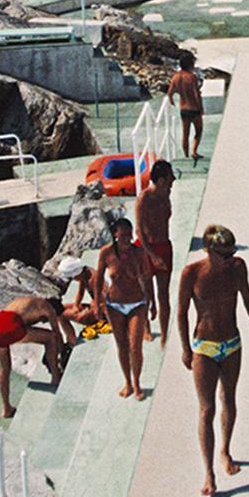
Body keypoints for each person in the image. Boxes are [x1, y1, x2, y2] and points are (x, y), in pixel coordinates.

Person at [178, 223, 249, 497]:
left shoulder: (237, 267)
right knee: (206, 409)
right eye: (223, 253)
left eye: (232, 251)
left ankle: (225, 450)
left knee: (229, 399)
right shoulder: (192, 274)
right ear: (208, 250)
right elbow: (182, 313)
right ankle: (208, 472)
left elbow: (248, 300)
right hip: (204, 347)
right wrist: (186, 349)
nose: (229, 257)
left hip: (232, 343)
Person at [93, 214, 153, 401]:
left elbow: (147, 278)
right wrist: (97, 302)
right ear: (115, 235)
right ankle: (127, 381)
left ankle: (136, 382)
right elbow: (98, 279)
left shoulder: (139, 252)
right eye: (123, 235)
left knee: (135, 346)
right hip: (114, 305)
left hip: (137, 303)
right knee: (122, 346)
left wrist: (153, 303)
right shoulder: (107, 253)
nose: (127, 239)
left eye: (129, 235)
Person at [0, 292, 75, 418]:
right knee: (50, 338)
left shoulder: (28, 301)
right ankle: (56, 378)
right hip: (12, 325)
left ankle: (6, 409)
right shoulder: (48, 307)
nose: (44, 322)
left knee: (4, 369)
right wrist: (61, 351)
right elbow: (57, 334)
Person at [136, 157, 176, 345]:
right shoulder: (144, 198)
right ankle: (147, 330)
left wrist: (160, 256)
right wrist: (152, 255)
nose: (173, 182)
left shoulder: (165, 194)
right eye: (170, 179)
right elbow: (139, 231)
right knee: (145, 293)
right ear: (161, 181)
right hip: (146, 248)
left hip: (164, 246)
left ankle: (165, 335)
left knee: (164, 295)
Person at [167, 53, 205, 162]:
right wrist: (201, 108)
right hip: (194, 109)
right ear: (190, 64)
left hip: (183, 109)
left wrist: (172, 101)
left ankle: (186, 156)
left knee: (185, 134)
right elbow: (196, 94)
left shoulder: (175, 77)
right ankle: (194, 152)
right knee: (198, 131)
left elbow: (170, 93)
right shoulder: (191, 77)